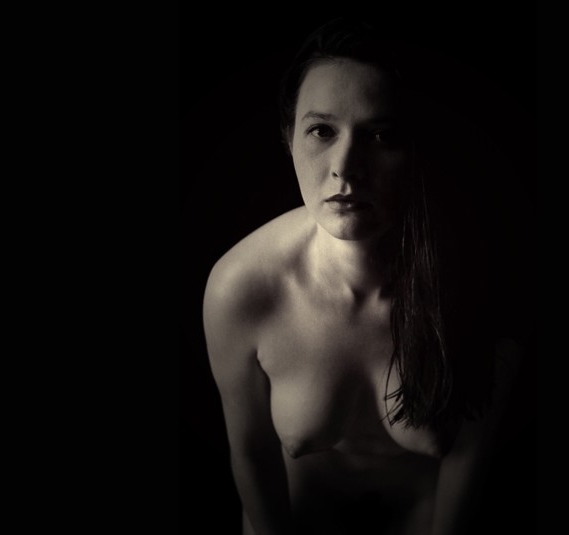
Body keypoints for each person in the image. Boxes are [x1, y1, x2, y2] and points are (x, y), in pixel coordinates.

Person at [202, 16, 529, 535]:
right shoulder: (241, 289)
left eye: (381, 135)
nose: (346, 167)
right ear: (289, 137)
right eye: (322, 130)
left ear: (416, 147)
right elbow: (252, 454)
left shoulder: (477, 284)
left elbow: (469, 456)